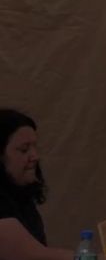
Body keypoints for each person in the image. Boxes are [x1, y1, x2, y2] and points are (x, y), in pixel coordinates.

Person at [0, 109, 74, 260]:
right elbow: (39, 256)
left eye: (35, 147)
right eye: (24, 149)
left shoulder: (21, 198)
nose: (35, 156)